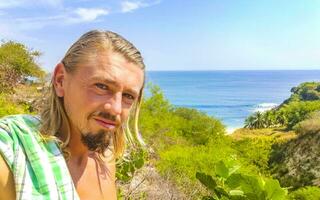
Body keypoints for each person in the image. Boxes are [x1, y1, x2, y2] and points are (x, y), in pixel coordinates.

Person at [0, 30, 146, 199]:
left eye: (128, 96)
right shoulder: (13, 153)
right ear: (60, 80)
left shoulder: (105, 161)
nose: (116, 109)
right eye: (102, 86)